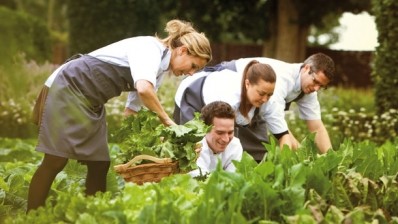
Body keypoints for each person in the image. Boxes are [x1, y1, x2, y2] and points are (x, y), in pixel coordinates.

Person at [27, 19, 212, 211]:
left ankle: (94, 215)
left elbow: (132, 111)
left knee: (100, 163)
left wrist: (151, 146)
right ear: (182, 50)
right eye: (193, 66)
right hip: (68, 86)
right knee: (55, 160)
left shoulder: (158, 71)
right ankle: (31, 216)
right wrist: (166, 120)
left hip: (92, 103)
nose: (190, 73)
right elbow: (144, 90)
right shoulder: (150, 48)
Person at [200, 53, 335, 155]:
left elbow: (317, 127)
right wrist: (305, 156)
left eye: (322, 86)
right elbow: (280, 127)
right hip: (224, 88)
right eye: (316, 81)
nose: (317, 88)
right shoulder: (279, 81)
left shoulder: (309, 90)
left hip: (254, 104)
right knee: (220, 140)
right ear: (306, 68)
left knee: (259, 151)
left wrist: (331, 159)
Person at [174, 60, 277, 161]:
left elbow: (278, 127)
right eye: (261, 94)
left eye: (269, 95)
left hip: (222, 102)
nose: (265, 99)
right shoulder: (230, 96)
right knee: (197, 148)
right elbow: (221, 131)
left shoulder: (265, 96)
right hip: (194, 95)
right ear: (247, 84)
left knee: (240, 145)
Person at [189, 101, 243, 177]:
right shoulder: (195, 147)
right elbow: (200, 179)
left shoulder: (235, 145)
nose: (226, 139)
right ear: (205, 129)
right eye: (220, 133)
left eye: (230, 132)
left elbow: (232, 180)